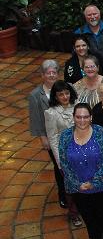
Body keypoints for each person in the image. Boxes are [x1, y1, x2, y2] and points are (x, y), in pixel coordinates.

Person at [58, 103, 103, 239]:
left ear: (91, 117)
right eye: (78, 117)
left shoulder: (100, 132)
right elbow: (64, 162)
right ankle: (94, 236)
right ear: (73, 118)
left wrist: (94, 182)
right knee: (87, 213)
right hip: (78, 186)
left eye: (85, 117)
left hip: (101, 184)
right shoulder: (65, 136)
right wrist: (78, 184)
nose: (82, 120)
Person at [44, 80, 82, 226]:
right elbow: (53, 139)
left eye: (67, 93)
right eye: (61, 94)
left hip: (82, 149)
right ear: (56, 96)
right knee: (70, 185)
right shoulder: (51, 113)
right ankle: (74, 213)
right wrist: (59, 161)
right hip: (66, 154)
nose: (65, 97)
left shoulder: (78, 105)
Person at [29, 61, 66, 207]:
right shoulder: (35, 95)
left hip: (67, 132)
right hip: (52, 136)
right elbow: (36, 119)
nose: (51, 75)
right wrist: (43, 138)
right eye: (48, 73)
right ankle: (63, 195)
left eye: (54, 72)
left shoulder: (64, 88)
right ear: (42, 75)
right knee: (59, 165)